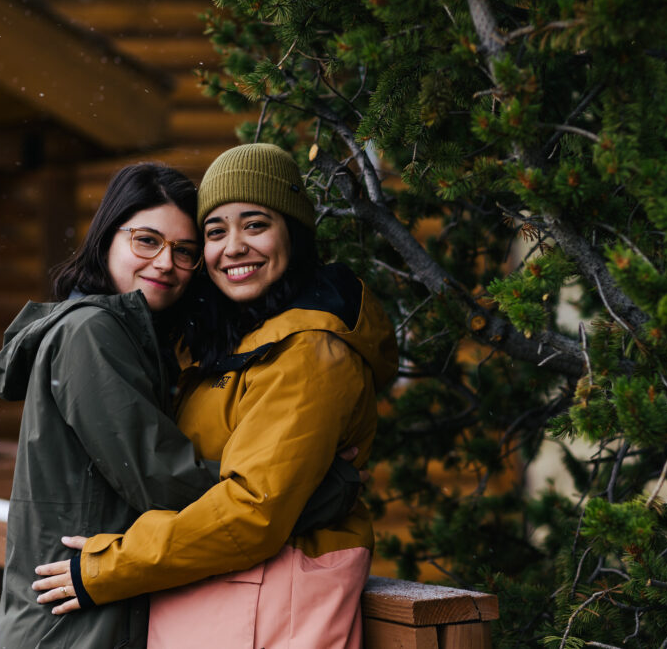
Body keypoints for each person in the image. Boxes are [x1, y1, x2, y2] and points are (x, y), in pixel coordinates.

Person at [32, 143, 398, 648]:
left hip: (269, 605)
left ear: (292, 231)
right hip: (210, 600)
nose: (232, 248)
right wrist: (322, 491)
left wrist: (111, 567)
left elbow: (254, 512)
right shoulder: (214, 343)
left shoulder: (308, 351)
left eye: (255, 225)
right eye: (215, 232)